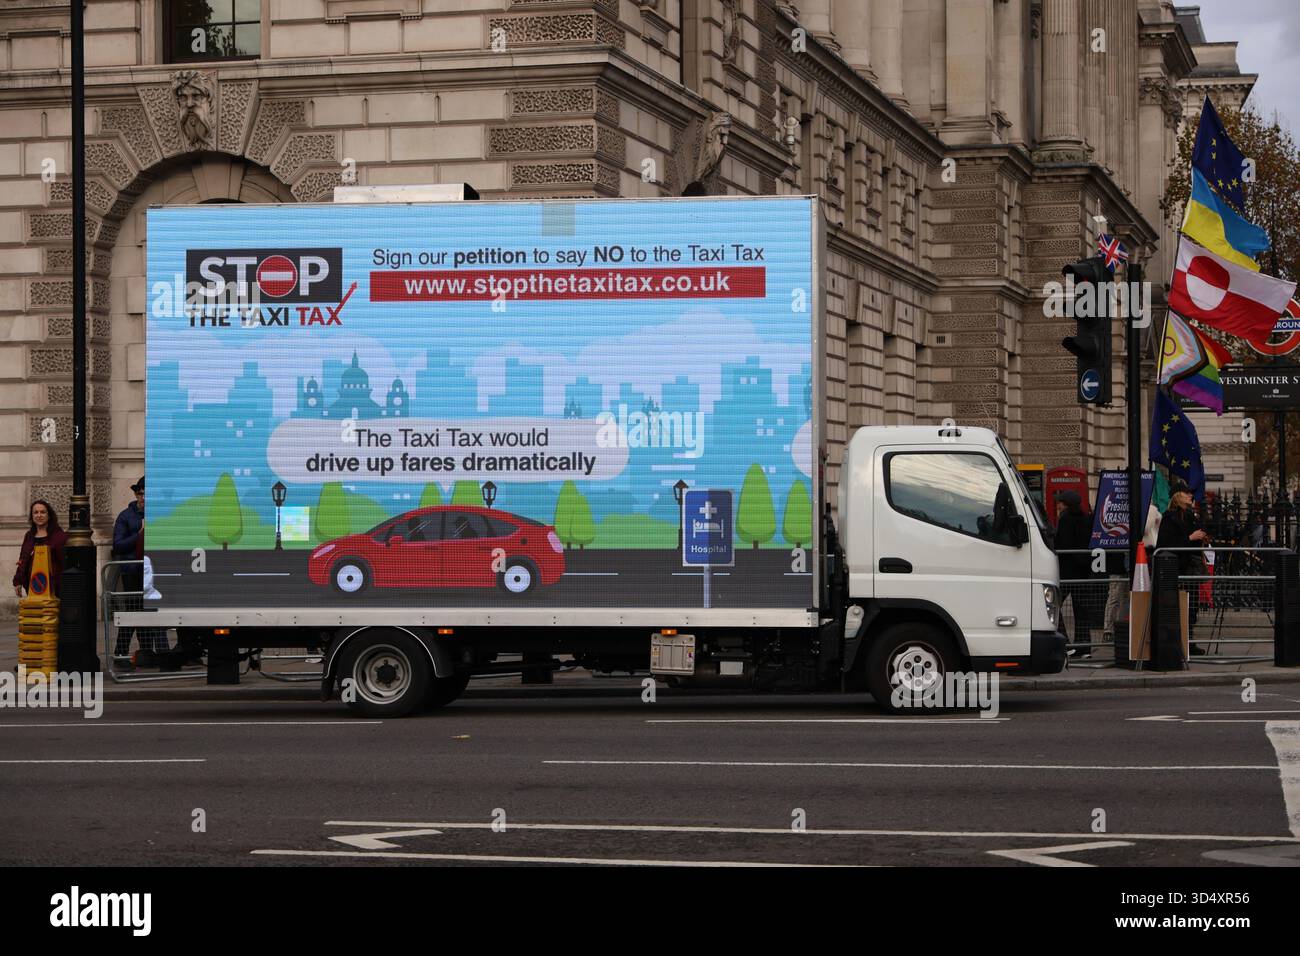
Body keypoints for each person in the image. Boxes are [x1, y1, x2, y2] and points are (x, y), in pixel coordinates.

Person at [1156, 480, 1210, 657]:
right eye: (1186, 493)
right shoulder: (1169, 517)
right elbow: (1166, 545)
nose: (1190, 495)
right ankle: (1178, 641)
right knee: (1178, 608)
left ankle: (1189, 640)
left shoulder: (1190, 516)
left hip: (1190, 569)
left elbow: (1193, 539)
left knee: (1192, 607)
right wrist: (1190, 537)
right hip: (1177, 570)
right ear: (1178, 496)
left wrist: (1202, 538)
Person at [1053, 490, 1095, 658]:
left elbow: (1061, 544)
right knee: (1082, 611)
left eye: (1060, 502)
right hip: (1083, 570)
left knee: (1054, 605)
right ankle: (1084, 648)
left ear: (1066, 504)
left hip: (1067, 571)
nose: (1057, 504)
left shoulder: (1064, 519)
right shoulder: (1086, 519)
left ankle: (1065, 643)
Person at [12, 500, 68, 598]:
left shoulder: (59, 536)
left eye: (43, 512)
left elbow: (64, 563)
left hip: (55, 590)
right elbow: (23, 559)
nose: (39, 515)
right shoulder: (29, 536)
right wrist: (18, 581)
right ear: (32, 516)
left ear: (49, 515)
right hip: (33, 588)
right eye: (36, 512)